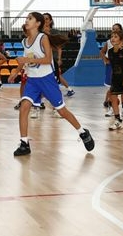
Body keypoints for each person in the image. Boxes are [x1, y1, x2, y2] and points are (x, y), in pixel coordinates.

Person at [7, 12, 94, 156]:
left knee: (62, 111)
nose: (26, 20)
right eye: (27, 18)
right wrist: (16, 71)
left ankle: (83, 132)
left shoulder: (43, 38)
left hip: (47, 80)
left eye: (30, 18)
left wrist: (27, 61)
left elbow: (47, 60)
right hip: (32, 81)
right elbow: (25, 59)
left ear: (38, 23)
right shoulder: (25, 41)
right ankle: (24, 143)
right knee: (24, 108)